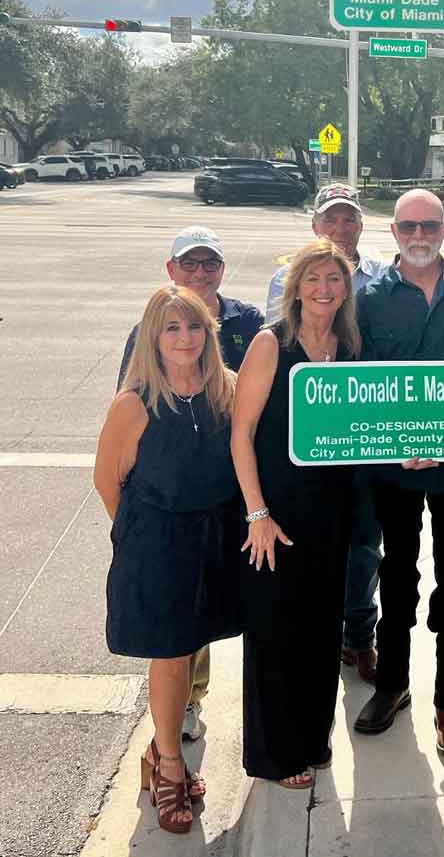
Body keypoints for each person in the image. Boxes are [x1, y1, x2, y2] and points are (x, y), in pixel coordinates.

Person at [352, 190, 444, 757]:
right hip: (396, 468)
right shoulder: (370, 299)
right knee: (398, 576)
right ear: (394, 232)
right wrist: (397, 444)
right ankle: (392, 687)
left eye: (428, 225)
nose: (419, 234)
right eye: (408, 225)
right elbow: (362, 384)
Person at [96, 286, 242, 835]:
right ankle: (169, 764)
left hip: (211, 540)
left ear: (209, 333)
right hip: (156, 544)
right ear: (154, 337)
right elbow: (108, 482)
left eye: (195, 327)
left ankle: (159, 752)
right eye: (172, 328)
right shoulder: (133, 403)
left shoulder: (224, 391)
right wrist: (141, 539)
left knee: (190, 650)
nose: (185, 338)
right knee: (172, 655)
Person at [117, 225, 264, 741]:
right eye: (190, 264)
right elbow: (115, 469)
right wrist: (141, 526)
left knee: (218, 612)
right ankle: (175, 729)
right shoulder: (145, 342)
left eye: (210, 264)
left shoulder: (248, 322)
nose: (200, 273)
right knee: (179, 638)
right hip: (168, 520)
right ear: (171, 269)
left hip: (230, 503)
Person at [232, 240, 359, 790]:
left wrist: (409, 445)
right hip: (276, 514)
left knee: (320, 631)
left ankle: (312, 737)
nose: (324, 289)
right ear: (296, 286)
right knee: (275, 633)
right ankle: (275, 753)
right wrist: (256, 512)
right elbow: (241, 435)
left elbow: (364, 429)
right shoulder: (270, 344)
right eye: (314, 278)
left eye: (334, 279)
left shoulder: (348, 347)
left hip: (330, 511)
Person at [267, 183, 386, 685]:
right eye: (331, 220)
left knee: (363, 549)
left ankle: (358, 636)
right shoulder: (283, 280)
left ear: (361, 225)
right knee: (310, 553)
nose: (341, 228)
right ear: (316, 225)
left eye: (350, 220)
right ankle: (315, 637)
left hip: (360, 447)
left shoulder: (379, 276)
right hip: (302, 454)